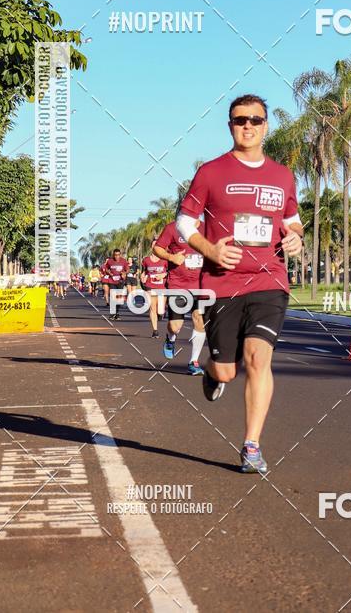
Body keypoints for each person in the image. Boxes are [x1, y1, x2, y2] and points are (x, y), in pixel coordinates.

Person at [176, 94, 303, 474]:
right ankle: (214, 374)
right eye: (239, 120)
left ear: (266, 125)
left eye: (255, 120)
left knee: (258, 358)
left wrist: (296, 236)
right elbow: (185, 223)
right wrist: (209, 249)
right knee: (228, 370)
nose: (247, 126)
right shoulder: (211, 172)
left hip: (269, 280)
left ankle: (251, 446)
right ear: (230, 125)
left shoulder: (282, 176)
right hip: (222, 285)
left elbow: (292, 219)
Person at [153, 216, 206, 376]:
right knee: (175, 326)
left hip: (202, 284)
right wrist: (171, 257)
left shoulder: (209, 229)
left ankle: (194, 362)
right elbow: (157, 248)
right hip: (178, 284)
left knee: (200, 320)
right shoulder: (172, 228)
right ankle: (170, 339)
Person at [141, 241, 168, 337]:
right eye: (154, 244)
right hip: (150, 286)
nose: (155, 246)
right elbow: (144, 272)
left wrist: (163, 275)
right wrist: (142, 277)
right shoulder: (146, 260)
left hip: (162, 287)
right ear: (151, 247)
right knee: (152, 308)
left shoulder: (165, 259)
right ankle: (155, 330)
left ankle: (161, 313)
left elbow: (170, 272)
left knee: (160, 310)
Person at [103, 249, 129, 320]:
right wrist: (109, 273)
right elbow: (106, 268)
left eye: (118, 255)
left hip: (120, 281)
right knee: (113, 297)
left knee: (119, 298)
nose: (116, 256)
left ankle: (117, 313)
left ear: (120, 255)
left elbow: (127, 269)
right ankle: (112, 314)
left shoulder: (123, 261)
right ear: (113, 255)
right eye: (115, 255)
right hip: (112, 281)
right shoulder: (110, 261)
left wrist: (124, 273)